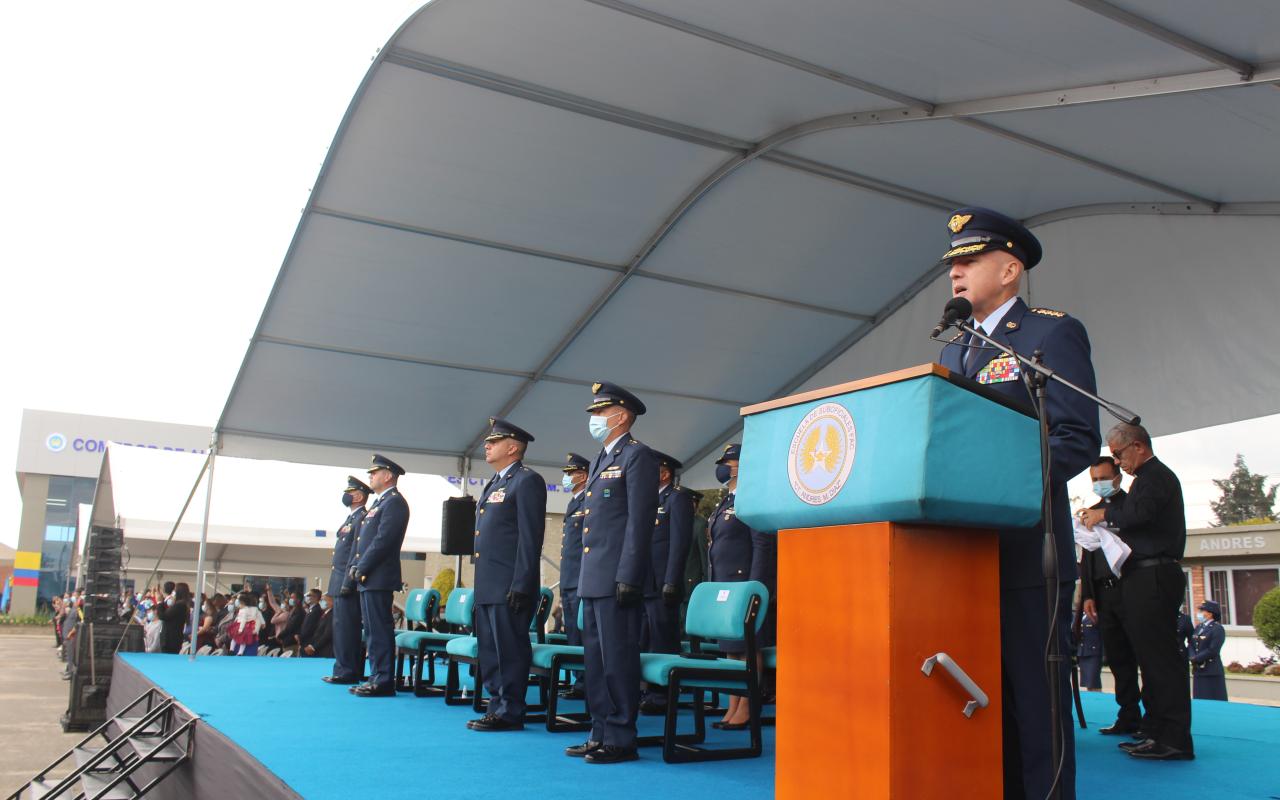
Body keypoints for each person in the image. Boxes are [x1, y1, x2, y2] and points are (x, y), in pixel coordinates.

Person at [937, 207, 1100, 798]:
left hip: (1030, 550)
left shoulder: (1048, 333)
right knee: (986, 699)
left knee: (1037, 700)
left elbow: (1076, 437)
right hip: (963, 554)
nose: (955, 274)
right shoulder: (957, 351)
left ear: (1010, 270)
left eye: (969, 261)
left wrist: (998, 486)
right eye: (951, 265)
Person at [1080, 423, 1193, 761]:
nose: (1119, 462)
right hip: (1142, 577)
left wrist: (1103, 514)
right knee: (1149, 660)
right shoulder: (1146, 479)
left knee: (1161, 661)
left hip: (1155, 574)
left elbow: (1138, 513)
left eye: (1119, 454)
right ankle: (1155, 731)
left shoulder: (1156, 477)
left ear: (1139, 447)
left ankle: (1174, 738)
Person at [566, 382, 657, 765]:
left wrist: (629, 575)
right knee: (596, 660)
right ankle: (599, 729)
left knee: (618, 658)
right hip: (594, 576)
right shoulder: (603, 459)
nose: (595, 420)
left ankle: (621, 736)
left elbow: (638, 522)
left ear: (621, 416)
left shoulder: (638, 457)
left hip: (617, 575)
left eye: (600, 413)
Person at [467, 418, 547, 731]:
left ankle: (510, 710)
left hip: (509, 583)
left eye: (494, 441)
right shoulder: (494, 483)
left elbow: (530, 537)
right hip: (488, 583)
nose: (487, 445)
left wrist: (522, 582)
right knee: (489, 648)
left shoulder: (526, 481)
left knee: (509, 649)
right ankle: (495, 704)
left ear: (512, 447)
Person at [705, 444, 774, 729]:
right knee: (731, 650)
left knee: (748, 648)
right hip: (725, 583)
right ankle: (733, 704)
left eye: (730, 462)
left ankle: (747, 706)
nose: (724, 467)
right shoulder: (727, 500)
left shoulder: (752, 498)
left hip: (743, 582)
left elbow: (762, 544)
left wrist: (755, 587)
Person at [1078, 456, 1143, 735]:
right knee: (1117, 658)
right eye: (1094, 479)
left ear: (1117, 477)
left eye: (1103, 478)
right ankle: (1128, 715)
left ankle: (1153, 719)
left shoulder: (1132, 508)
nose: (1099, 484)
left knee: (1142, 655)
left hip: (1132, 589)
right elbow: (1088, 557)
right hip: (1103, 595)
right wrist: (1088, 595)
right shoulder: (1091, 512)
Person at [639, 450, 696, 715]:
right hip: (644, 583)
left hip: (664, 583)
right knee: (644, 640)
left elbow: (679, 543)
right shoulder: (647, 501)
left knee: (663, 640)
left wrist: (672, 580)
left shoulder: (677, 498)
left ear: (664, 473)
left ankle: (662, 696)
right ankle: (646, 690)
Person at [350, 453, 411, 697]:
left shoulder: (394, 502)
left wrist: (362, 566)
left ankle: (384, 679)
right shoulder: (379, 503)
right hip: (370, 576)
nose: (370, 476)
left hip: (378, 575)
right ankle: (376, 675)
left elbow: (383, 540)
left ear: (387, 476)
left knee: (380, 629)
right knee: (373, 631)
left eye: (374, 473)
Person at [324, 476, 371, 684]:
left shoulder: (362, 517)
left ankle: (347, 671)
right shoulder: (352, 518)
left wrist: (347, 582)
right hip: (339, 578)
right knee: (340, 627)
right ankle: (341, 668)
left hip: (347, 580)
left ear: (359, 496)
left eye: (350, 492)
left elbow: (355, 552)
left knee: (347, 628)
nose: (346, 495)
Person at [558, 453, 589, 699]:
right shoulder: (572, 504)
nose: (566, 478)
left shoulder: (588, 501)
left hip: (581, 576)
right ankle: (580, 681)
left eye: (571, 474)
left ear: (584, 476)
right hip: (568, 576)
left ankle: (587, 682)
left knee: (583, 632)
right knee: (571, 632)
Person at [1189, 600, 1227, 701]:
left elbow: (1213, 649)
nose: (1200, 613)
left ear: (1210, 614)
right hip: (1198, 670)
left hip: (1211, 670)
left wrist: (1197, 658)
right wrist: (1192, 656)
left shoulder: (1217, 629)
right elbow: (1191, 644)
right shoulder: (1199, 627)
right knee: (1199, 699)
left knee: (1214, 699)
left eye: (1202, 611)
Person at [228, 591, 266, 656]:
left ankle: (236, 652)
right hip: (248, 636)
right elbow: (262, 623)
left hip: (246, 637)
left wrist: (239, 629)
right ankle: (239, 652)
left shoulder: (245, 610)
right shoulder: (255, 610)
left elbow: (240, 621)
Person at [160, 583, 191, 654]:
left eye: (174, 590)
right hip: (173, 637)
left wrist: (160, 602)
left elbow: (164, 616)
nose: (173, 592)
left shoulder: (180, 605)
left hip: (171, 638)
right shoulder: (181, 604)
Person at [1076, 614, 1102, 691]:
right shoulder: (1080, 615)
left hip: (1094, 652)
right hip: (1083, 652)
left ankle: (1097, 697)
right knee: (1087, 682)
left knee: (1093, 681)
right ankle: (1092, 694)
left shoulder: (1095, 615)